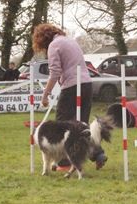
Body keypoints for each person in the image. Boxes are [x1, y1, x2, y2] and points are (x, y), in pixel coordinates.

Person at [32, 23, 107, 170]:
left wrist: (45, 94)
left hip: (72, 86)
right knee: (82, 127)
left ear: (42, 39)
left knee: (61, 125)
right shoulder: (70, 41)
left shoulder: (54, 46)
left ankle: (64, 162)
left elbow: (54, 73)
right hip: (86, 84)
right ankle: (98, 155)